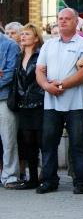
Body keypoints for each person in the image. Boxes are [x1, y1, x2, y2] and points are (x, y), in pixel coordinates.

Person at [35, 8, 83, 194]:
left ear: (76, 22)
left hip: (76, 103)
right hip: (51, 103)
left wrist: (60, 85)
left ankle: (81, 181)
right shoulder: (48, 44)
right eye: (60, 18)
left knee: (78, 144)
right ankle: (49, 180)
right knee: (48, 143)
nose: (62, 21)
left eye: (67, 19)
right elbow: (39, 70)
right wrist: (47, 86)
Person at [12, 24, 45, 190]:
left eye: (27, 34)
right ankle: (32, 179)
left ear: (36, 38)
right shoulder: (19, 56)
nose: (23, 36)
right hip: (23, 105)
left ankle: (47, 177)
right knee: (28, 143)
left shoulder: (41, 55)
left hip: (39, 103)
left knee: (41, 142)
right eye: (22, 34)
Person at [0, 27, 21, 188]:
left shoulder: (9, 45)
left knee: (8, 140)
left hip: (4, 99)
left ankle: (10, 176)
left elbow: (8, 74)